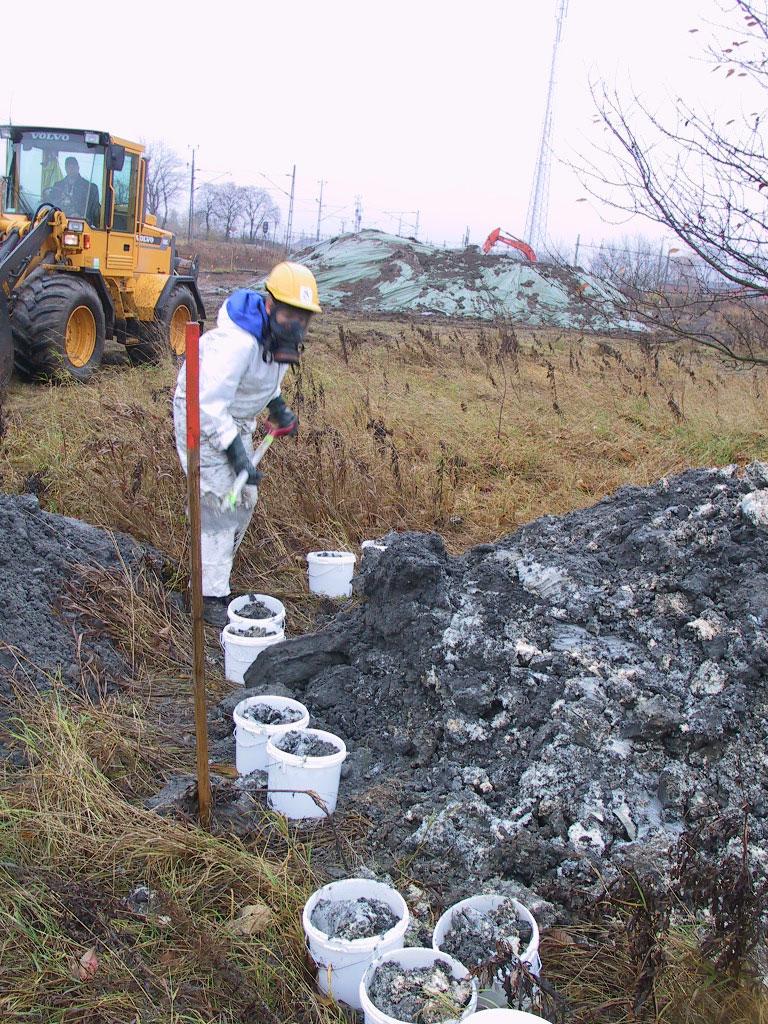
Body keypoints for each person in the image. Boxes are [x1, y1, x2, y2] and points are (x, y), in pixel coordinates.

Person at [173, 262, 321, 626]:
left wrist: (278, 407)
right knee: (220, 504)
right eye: (291, 315)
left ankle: (211, 578)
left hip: (234, 418)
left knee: (244, 498)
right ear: (270, 305)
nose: (297, 325)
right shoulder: (237, 343)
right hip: (201, 413)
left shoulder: (280, 341)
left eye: (304, 318)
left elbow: (266, 382)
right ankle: (208, 596)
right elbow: (208, 404)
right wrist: (238, 455)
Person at [48, 156, 101, 225]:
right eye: (68, 167)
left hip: (79, 223)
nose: (71, 169)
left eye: (73, 167)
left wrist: (79, 215)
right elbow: (52, 202)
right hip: (58, 220)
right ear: (65, 169)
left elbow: (92, 210)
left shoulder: (90, 188)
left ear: (78, 168)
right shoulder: (57, 186)